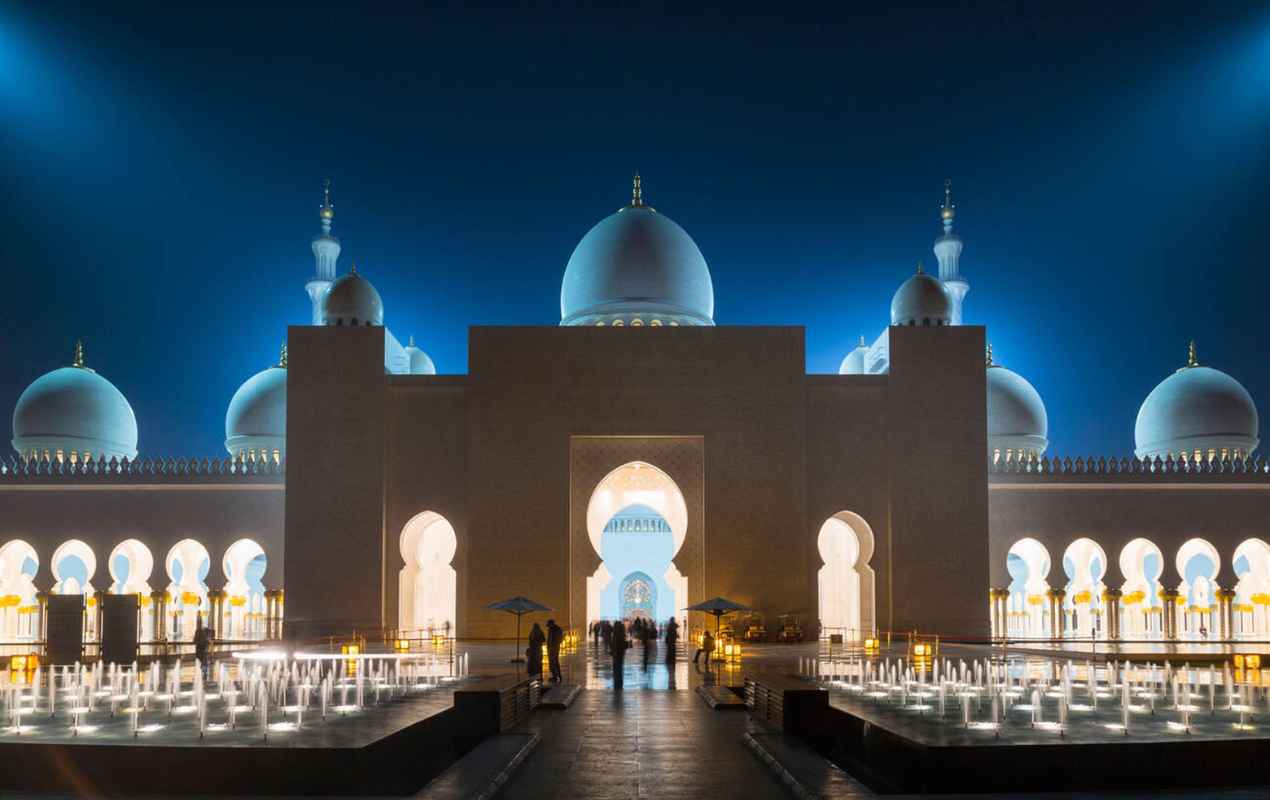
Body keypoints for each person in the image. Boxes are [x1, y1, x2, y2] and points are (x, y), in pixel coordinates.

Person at [193, 613, 212, 678]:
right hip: (201, 649)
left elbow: (195, 640)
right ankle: (204, 672)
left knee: (203, 661)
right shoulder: (202, 631)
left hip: (201, 649)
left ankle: (204, 672)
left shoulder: (200, 631)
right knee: (203, 661)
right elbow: (195, 640)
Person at [546, 618, 564, 683]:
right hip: (553, 648)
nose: (548, 626)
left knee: (553, 662)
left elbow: (556, 639)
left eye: (549, 625)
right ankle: (557, 676)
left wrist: (552, 645)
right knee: (554, 662)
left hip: (553, 649)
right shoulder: (556, 629)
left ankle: (556, 676)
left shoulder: (554, 630)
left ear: (551, 624)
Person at [612, 620, 629, 689]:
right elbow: (623, 645)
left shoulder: (615, 634)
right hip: (620, 654)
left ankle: (617, 684)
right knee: (619, 669)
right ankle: (619, 684)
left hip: (616, 654)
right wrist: (628, 643)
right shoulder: (621, 634)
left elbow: (614, 644)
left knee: (617, 669)